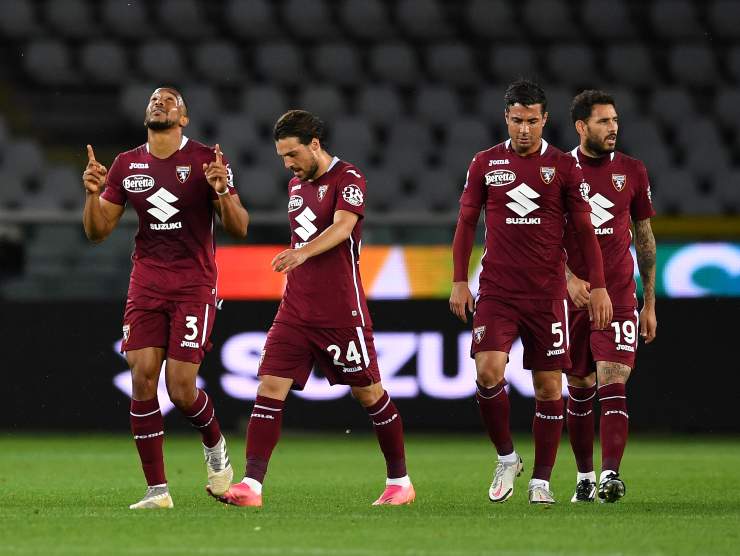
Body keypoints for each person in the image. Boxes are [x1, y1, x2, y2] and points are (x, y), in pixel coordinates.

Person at [210, 110, 414, 508]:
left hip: (341, 309)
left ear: (315, 145)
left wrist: (302, 253)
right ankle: (252, 486)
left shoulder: (348, 178)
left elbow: (342, 227)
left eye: (292, 154)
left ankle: (400, 482)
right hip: (295, 308)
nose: (288, 164)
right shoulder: (295, 187)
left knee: (369, 394)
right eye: (282, 157)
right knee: (270, 386)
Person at [82, 87, 249, 509]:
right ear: (145, 116)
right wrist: (91, 193)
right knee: (141, 377)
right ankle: (158, 491)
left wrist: (222, 190)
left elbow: (240, 227)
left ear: (184, 119)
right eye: (154, 99)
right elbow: (97, 232)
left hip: (194, 284)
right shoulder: (125, 164)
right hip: (147, 281)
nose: (159, 102)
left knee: (180, 389)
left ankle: (215, 446)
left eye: (170, 100)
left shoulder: (205, 161)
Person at [449, 80, 612, 505]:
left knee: (547, 387)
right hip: (498, 291)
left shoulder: (563, 166)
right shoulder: (485, 163)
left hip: (546, 295)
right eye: (518, 120)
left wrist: (596, 286)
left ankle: (541, 479)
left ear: (545, 120)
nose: (525, 129)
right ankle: (507, 457)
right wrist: (459, 280)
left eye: (533, 121)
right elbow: (467, 222)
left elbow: (583, 231)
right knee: (487, 372)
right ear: (506, 118)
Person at [563, 90, 657, 503]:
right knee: (579, 384)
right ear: (582, 127)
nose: (613, 127)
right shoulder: (558, 169)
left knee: (613, 379)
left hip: (618, 294)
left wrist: (649, 301)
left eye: (615, 120)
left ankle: (610, 475)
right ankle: (584, 476)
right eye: (603, 121)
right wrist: (566, 278)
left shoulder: (633, 171)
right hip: (571, 297)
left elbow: (645, 239)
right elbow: (543, 236)